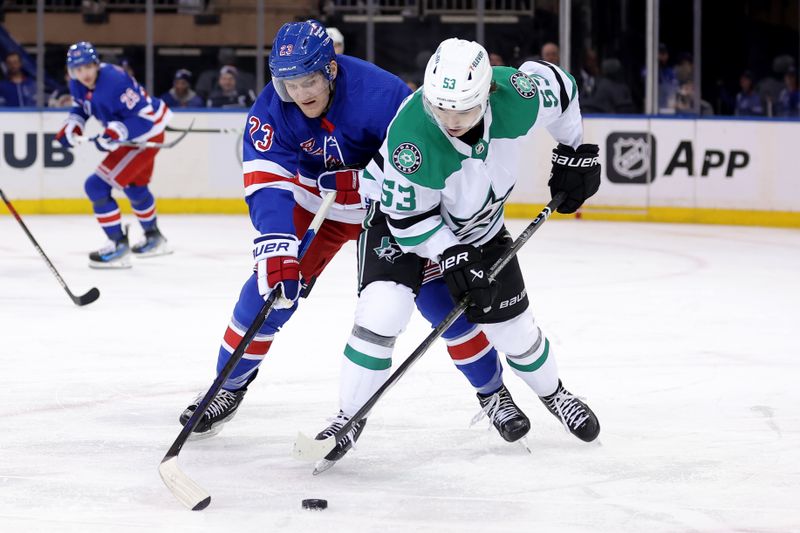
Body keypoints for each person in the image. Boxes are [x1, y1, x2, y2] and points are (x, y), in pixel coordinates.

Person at [178, 21, 524, 447]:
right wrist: (278, 245)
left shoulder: (383, 94)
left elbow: (423, 159)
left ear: (331, 71)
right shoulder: (272, 109)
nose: (301, 94)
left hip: (390, 210)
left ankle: (494, 393)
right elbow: (268, 181)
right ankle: (226, 388)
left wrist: (364, 182)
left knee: (441, 302)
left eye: (309, 81)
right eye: (290, 84)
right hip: (313, 205)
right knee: (270, 291)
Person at [316, 39, 602, 465]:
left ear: (488, 94)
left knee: (514, 332)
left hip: (479, 229)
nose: (450, 120)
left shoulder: (518, 96)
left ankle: (555, 395)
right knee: (383, 311)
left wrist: (573, 149)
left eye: (463, 110)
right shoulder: (411, 139)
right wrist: (449, 253)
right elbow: (409, 224)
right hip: (402, 226)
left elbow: (562, 89)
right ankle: (348, 416)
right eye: (441, 107)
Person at [55, 42, 173, 268]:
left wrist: (115, 132)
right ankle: (154, 237)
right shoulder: (77, 84)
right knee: (135, 186)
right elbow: (81, 108)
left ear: (96, 64)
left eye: (88, 67)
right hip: (133, 139)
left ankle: (118, 245)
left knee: (96, 186)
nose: (84, 74)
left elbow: (143, 119)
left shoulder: (115, 81)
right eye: (78, 70)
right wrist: (72, 126)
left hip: (145, 136)